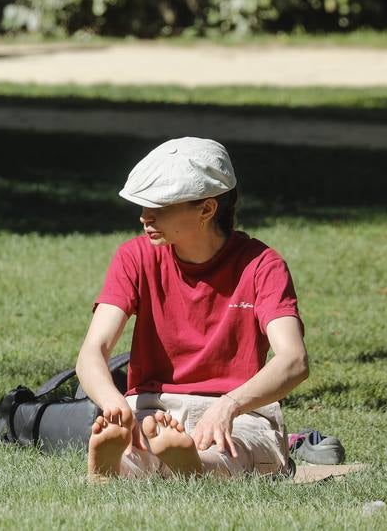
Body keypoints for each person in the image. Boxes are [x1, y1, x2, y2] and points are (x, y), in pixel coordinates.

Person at [76, 137, 310, 481]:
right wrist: (115, 406)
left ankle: (188, 465)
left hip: (240, 410)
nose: (144, 217)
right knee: (141, 443)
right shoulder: (134, 257)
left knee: (237, 448)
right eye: (143, 206)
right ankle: (122, 466)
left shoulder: (263, 265)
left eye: (159, 207)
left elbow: (294, 361)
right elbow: (92, 352)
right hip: (152, 408)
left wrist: (228, 406)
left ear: (206, 209)